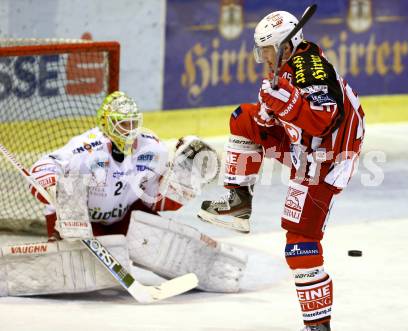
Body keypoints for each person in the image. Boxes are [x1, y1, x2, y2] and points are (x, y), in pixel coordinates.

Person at [198, 10, 365, 331]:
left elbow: (323, 119)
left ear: (286, 47)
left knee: (300, 240)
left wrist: (284, 103)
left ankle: (318, 326)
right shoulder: (286, 68)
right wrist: (266, 113)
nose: (263, 57)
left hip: (327, 161)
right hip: (303, 150)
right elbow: (272, 116)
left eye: (268, 50)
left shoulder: (310, 68)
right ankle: (238, 202)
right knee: (242, 118)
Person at [0, 91, 246, 298]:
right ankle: (56, 250)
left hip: (126, 220)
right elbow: (42, 166)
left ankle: (216, 268)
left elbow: (156, 202)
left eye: (132, 123)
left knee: (150, 234)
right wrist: (53, 186)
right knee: (71, 184)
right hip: (79, 224)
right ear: (107, 123)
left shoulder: (153, 149)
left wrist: (183, 184)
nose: (129, 130)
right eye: (122, 124)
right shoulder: (84, 148)